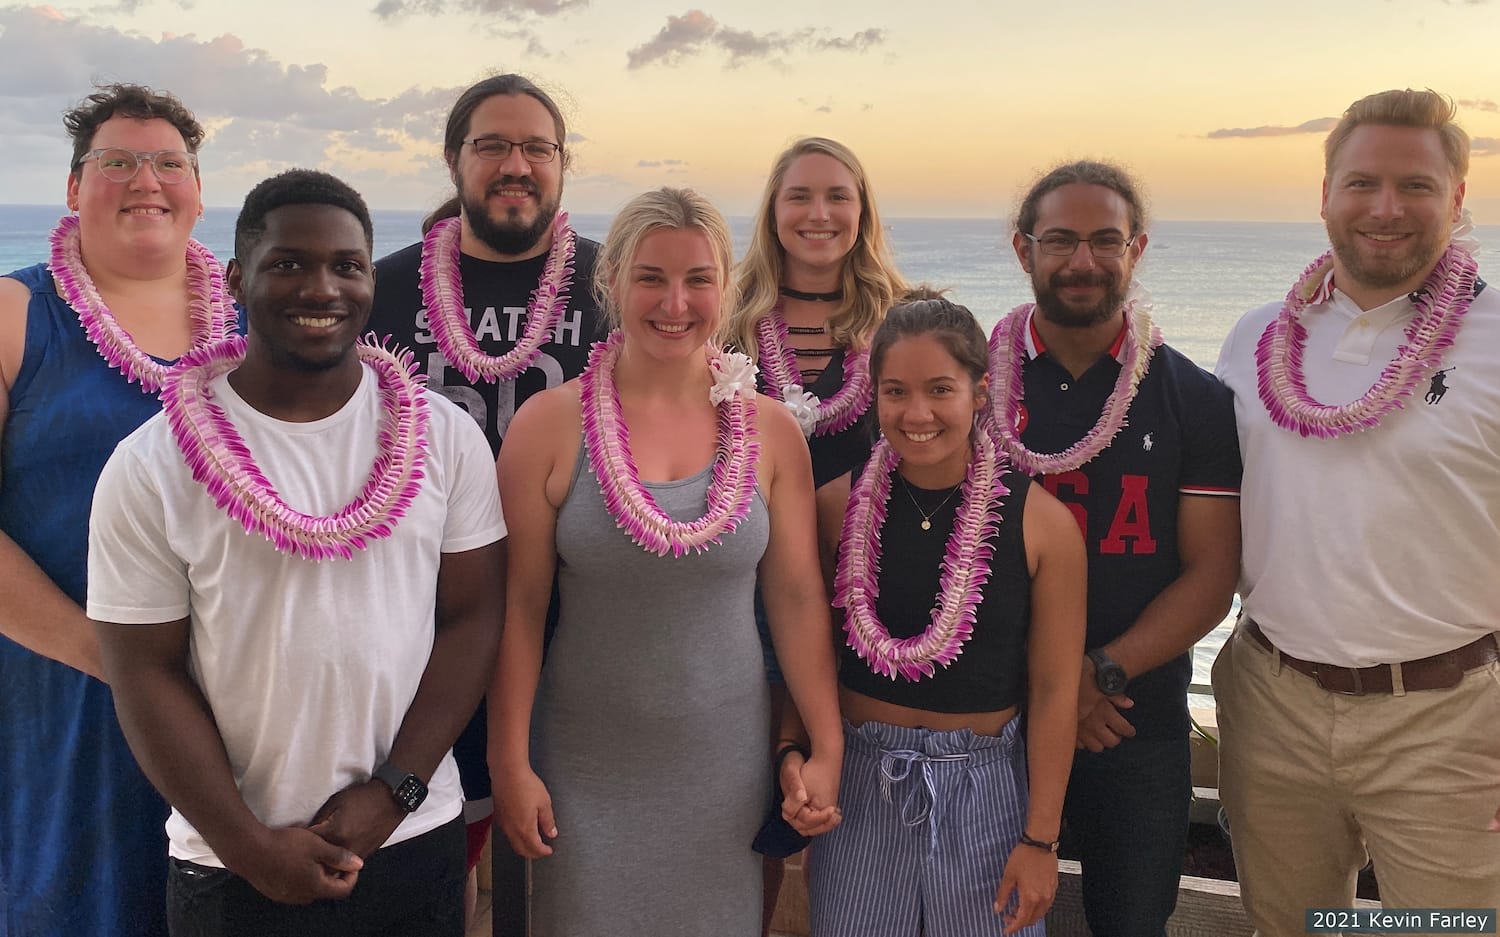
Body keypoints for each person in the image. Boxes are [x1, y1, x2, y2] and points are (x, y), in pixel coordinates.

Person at [86, 169, 506, 937]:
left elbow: (473, 618)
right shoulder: (151, 463)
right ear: (239, 277)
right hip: (230, 865)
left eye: (346, 265)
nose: (322, 286)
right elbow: (143, 672)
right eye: (289, 263)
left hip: (413, 842)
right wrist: (248, 845)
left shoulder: (445, 436)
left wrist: (394, 793)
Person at [490, 186, 844, 936]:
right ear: (611, 279)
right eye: (651, 276)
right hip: (585, 763)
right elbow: (518, 608)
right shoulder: (547, 427)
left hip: (726, 765)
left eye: (698, 279)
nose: (674, 302)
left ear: (728, 285)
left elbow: (798, 601)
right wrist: (509, 762)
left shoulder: (772, 432)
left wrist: (826, 743)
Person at [1214, 89, 1500, 935]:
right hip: (1271, 699)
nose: (1385, 208)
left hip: (1449, 720)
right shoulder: (1258, 336)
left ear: (1455, 199)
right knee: (1290, 924)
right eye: (1361, 182)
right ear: (1326, 195)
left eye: (1415, 185)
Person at [0, 83, 237, 937]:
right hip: (65, 691)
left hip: (233, 696)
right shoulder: (14, 315)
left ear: (199, 192)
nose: (147, 178)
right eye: (118, 161)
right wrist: (112, 658)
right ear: (72, 188)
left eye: (170, 162)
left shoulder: (258, 322)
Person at [367, 73, 603, 933]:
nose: (516, 164)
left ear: (562, 165)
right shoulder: (378, 291)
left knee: (573, 860)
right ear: (453, 158)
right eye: (492, 145)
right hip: (418, 632)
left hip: (586, 632)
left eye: (537, 147)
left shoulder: (622, 288)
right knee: (430, 856)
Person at [987, 161, 1242, 937]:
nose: (1083, 261)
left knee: (1131, 923)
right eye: (1060, 239)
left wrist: (1097, 677)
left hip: (1131, 718)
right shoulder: (970, 386)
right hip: (994, 719)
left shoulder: (1193, 397)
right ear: (1023, 249)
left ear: (1137, 249)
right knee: (979, 914)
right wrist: (1046, 690)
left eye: (1105, 240)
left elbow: (1212, 574)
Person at [788, 296, 1086, 937]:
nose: (916, 413)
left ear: (980, 394)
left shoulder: (1043, 525)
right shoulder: (833, 508)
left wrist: (1040, 840)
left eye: (940, 389)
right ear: (873, 395)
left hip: (985, 793)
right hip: (861, 787)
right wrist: (795, 751)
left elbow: (1056, 690)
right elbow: (801, 652)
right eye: (895, 391)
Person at [729, 138, 909, 928]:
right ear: (773, 210)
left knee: (861, 817)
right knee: (756, 816)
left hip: (878, 605)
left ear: (862, 211)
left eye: (838, 195)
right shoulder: (728, 329)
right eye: (799, 195)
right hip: (749, 606)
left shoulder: (904, 322)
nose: (819, 213)